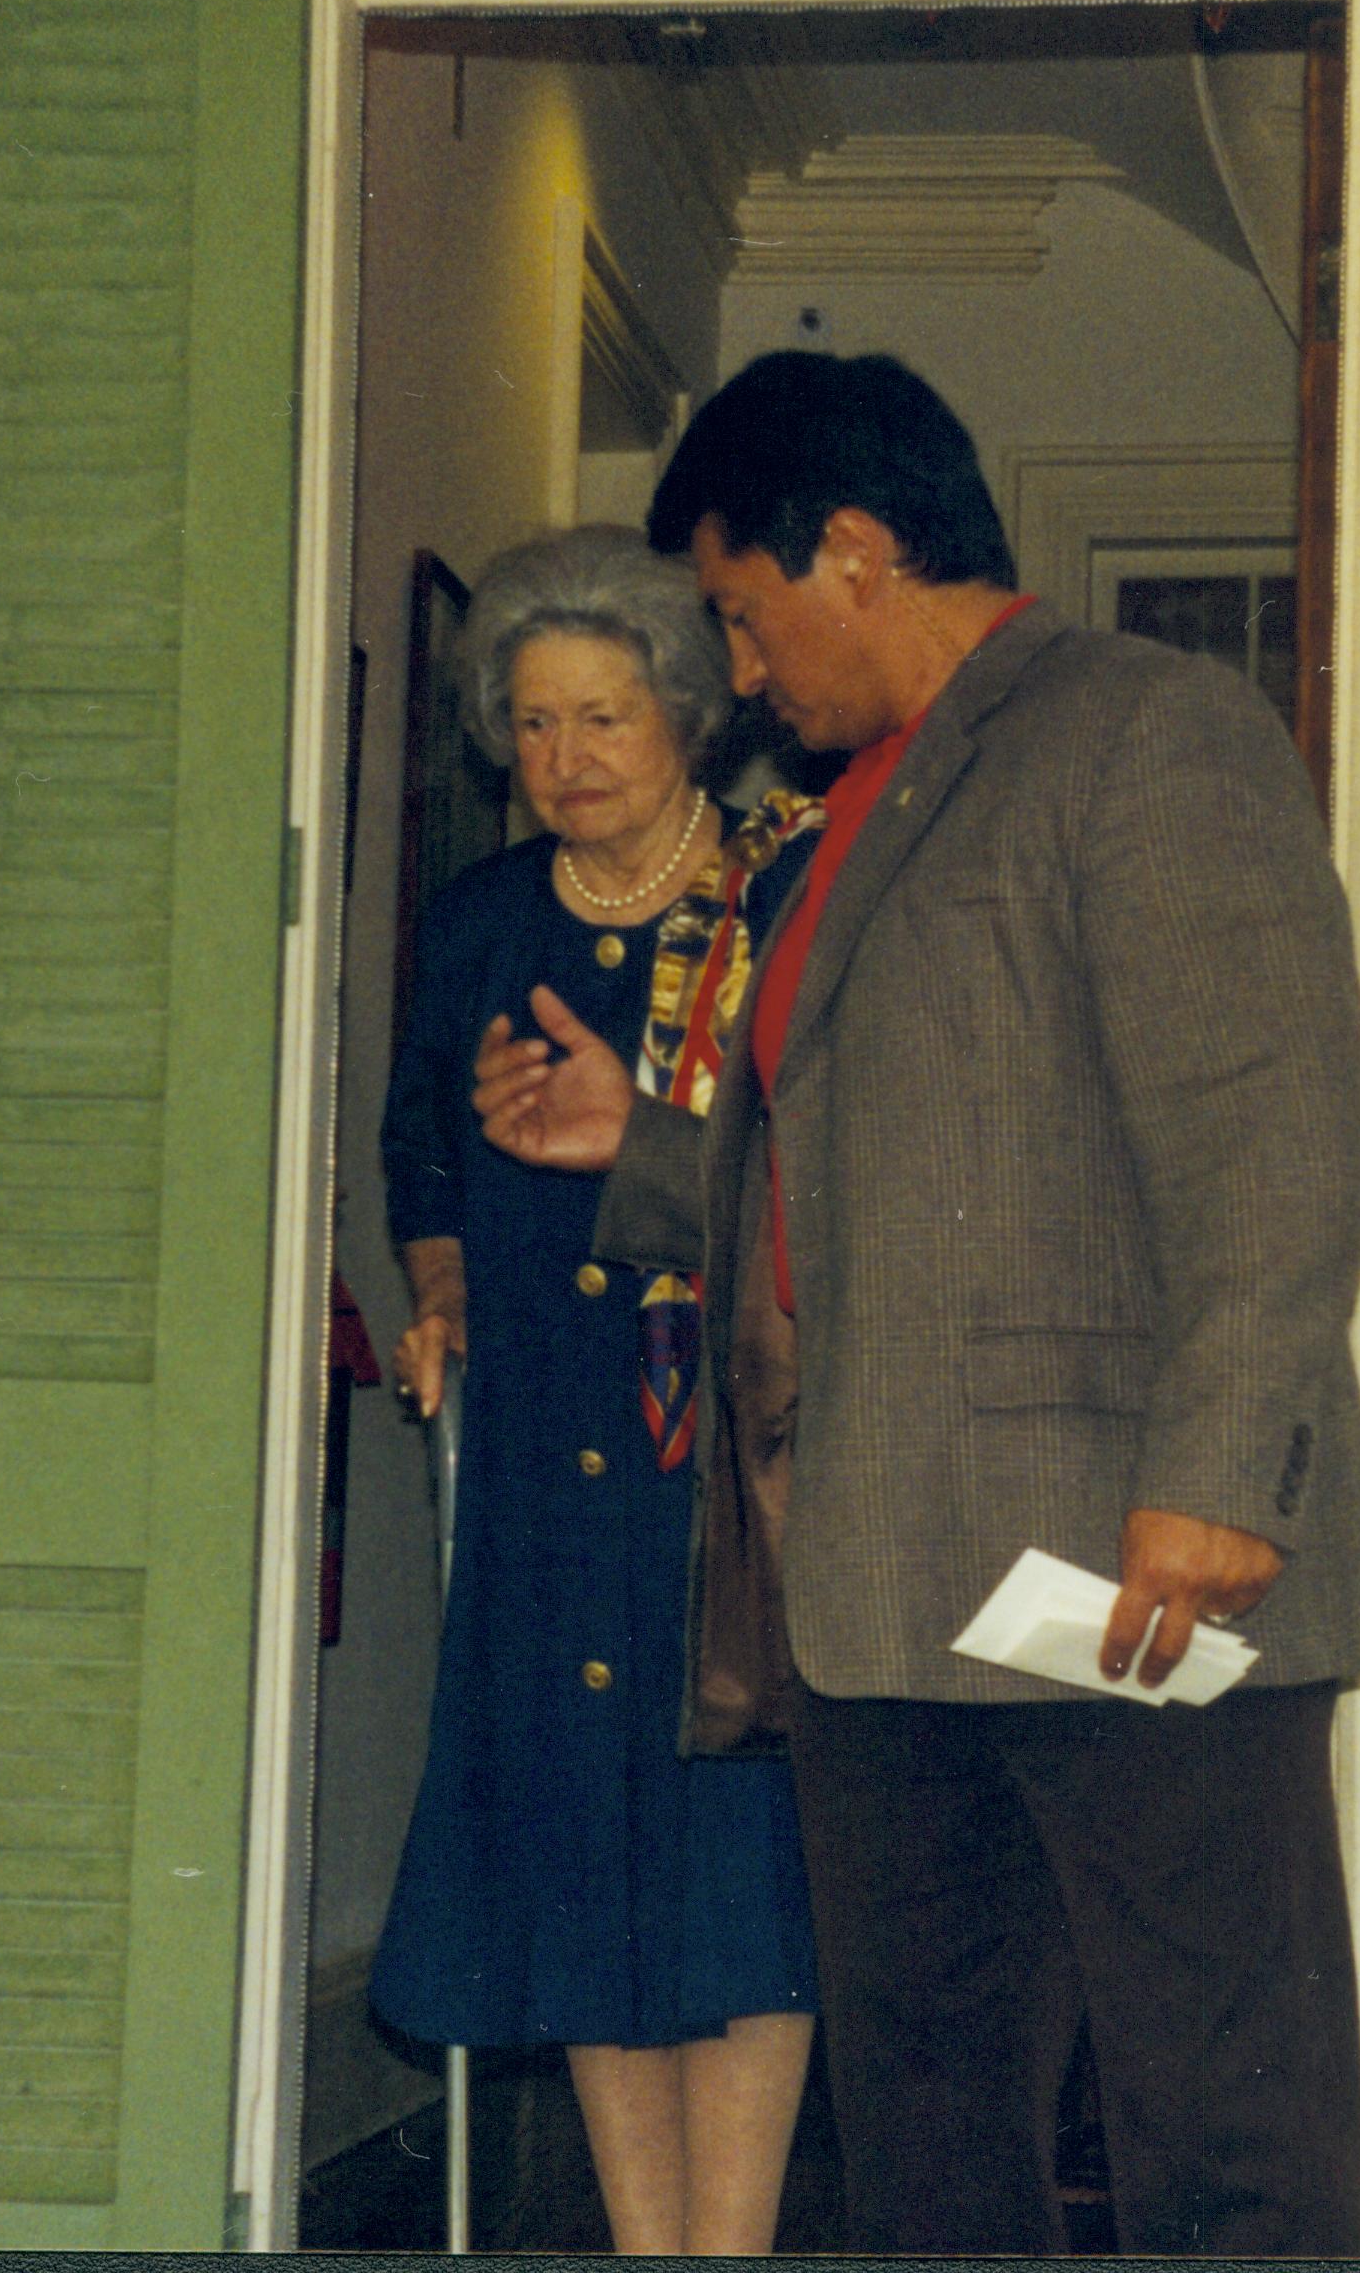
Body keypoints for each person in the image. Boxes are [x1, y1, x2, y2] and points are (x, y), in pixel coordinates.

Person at [472, 352, 1360, 2256]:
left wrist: (1223, 1466)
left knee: (1222, 2120)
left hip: (1132, 1569)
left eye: (741, 616)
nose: (738, 675)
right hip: (880, 1594)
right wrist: (646, 1152)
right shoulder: (838, 824)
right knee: (926, 2137)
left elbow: (1275, 1126)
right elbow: (878, 1187)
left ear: (855, 549)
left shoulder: (1148, 731)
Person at [370, 524, 827, 2256]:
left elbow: (821, 1167)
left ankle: (736, 2247)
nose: (565, 762)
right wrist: (438, 1290)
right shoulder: (485, 921)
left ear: (690, 717)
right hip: (546, 1452)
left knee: (730, 1862)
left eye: (604, 722)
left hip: (720, 1452)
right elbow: (423, 1146)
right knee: (574, 1841)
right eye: (537, 724)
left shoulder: (781, 899)